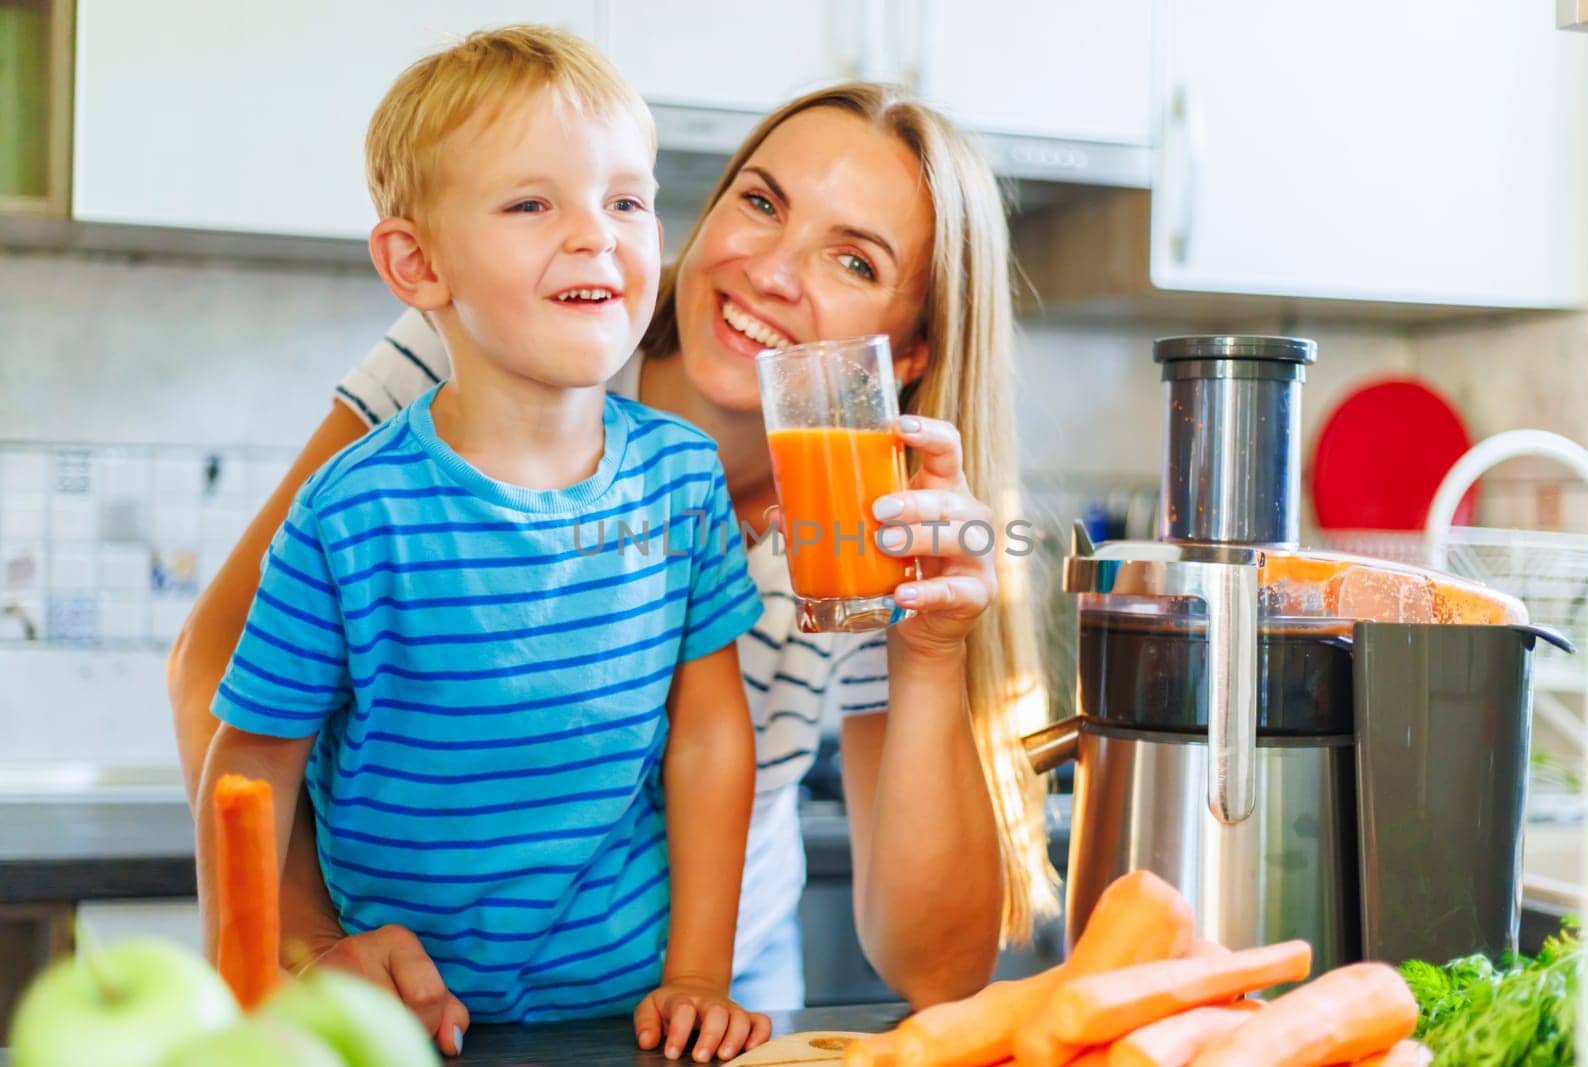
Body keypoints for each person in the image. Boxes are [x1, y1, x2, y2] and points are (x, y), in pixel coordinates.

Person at [170, 75, 1057, 1055]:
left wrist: (929, 649)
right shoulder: (492, 342)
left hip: (695, 992)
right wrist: (304, 942)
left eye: (852, 259)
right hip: (409, 986)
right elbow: (222, 669)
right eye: (760, 202)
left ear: (909, 353)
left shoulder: (873, 525)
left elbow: (933, 970)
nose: (772, 270)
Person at [192, 26, 770, 1062]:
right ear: (417, 262)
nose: (596, 235)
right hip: (399, 1024)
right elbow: (249, 766)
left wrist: (699, 973)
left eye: (626, 200)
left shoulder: (682, 480)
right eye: (531, 203)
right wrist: (269, 977)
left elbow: (710, 736)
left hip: (624, 1017)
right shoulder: (349, 514)